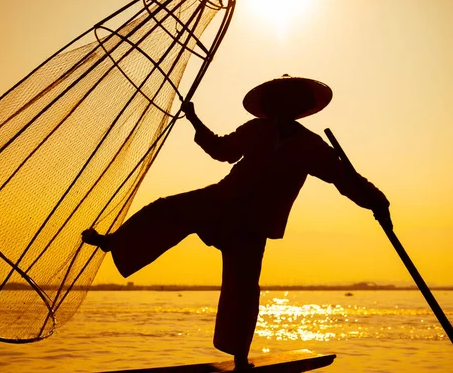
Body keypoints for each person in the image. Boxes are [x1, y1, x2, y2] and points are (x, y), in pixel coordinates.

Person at [82, 74, 391, 369]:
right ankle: (115, 242)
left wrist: (379, 203)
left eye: (290, 103)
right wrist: (193, 118)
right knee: (166, 209)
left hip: (255, 223)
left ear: (298, 108)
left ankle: (240, 358)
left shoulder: (311, 146)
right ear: (272, 106)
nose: (284, 108)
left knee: (242, 288)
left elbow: (346, 180)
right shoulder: (256, 130)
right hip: (221, 200)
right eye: (279, 102)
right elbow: (221, 151)